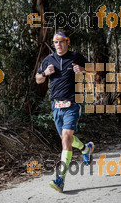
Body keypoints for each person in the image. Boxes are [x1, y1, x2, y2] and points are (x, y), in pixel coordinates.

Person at [35, 29, 95, 193]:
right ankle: (85, 148)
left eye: (61, 41)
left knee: (66, 139)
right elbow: (38, 79)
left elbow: (95, 70)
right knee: (66, 139)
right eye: (55, 42)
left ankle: (60, 179)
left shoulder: (76, 57)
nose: (58, 44)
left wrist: (83, 70)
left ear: (67, 42)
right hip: (56, 106)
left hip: (72, 104)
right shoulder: (49, 59)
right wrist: (45, 73)